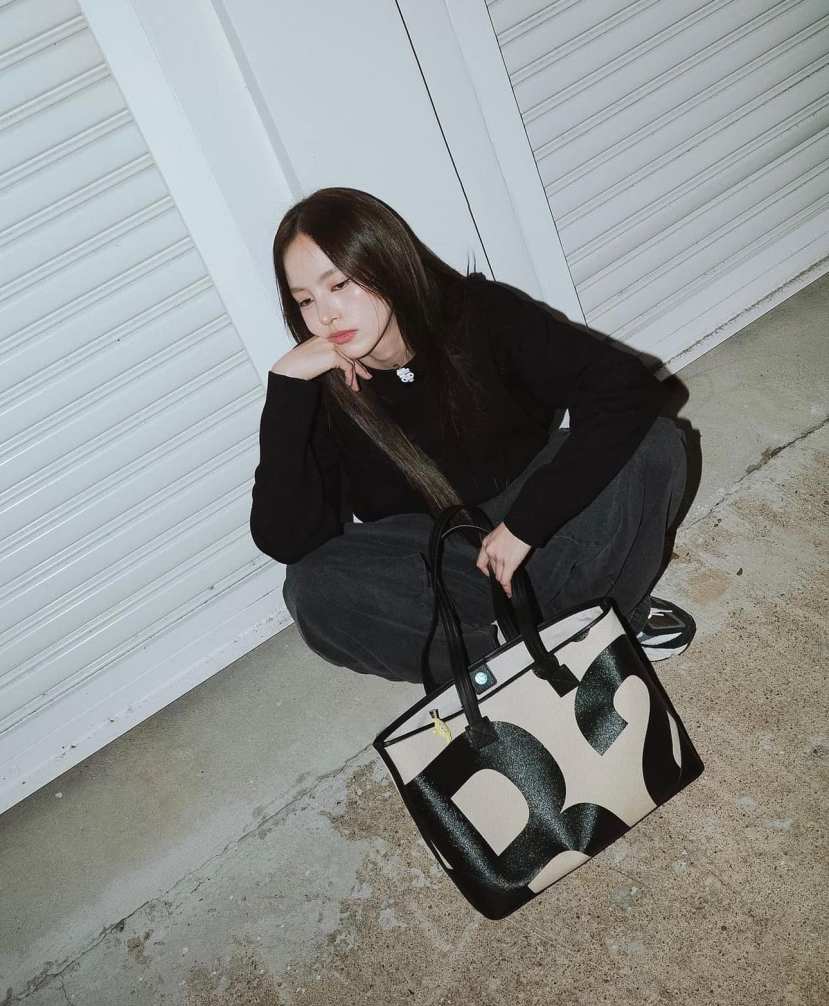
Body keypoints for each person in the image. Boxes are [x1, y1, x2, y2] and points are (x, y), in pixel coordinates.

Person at [250, 186, 695, 692]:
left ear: (386, 262)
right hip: (445, 565)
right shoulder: (324, 390)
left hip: (538, 526)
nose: (326, 315)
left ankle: (597, 619)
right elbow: (289, 541)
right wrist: (285, 389)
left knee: (652, 446)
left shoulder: (477, 314)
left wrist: (526, 524)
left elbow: (628, 390)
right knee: (312, 588)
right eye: (306, 301)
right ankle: (507, 662)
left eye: (340, 284)